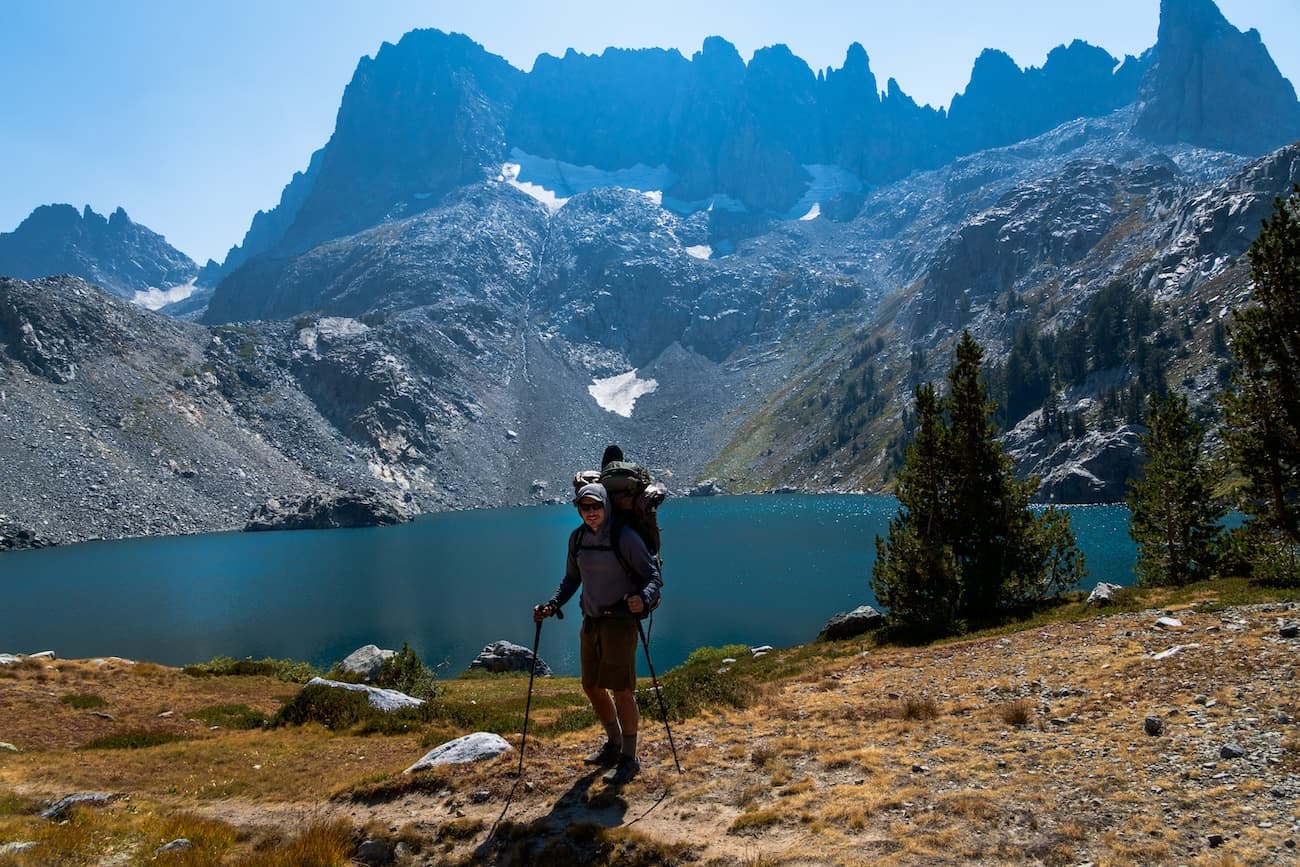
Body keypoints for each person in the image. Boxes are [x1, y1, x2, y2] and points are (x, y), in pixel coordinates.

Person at [534, 482, 662, 784]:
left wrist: (641, 598)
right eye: (585, 507)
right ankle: (614, 744)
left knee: (621, 689)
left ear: (606, 505)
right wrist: (552, 604)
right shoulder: (577, 539)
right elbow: (571, 578)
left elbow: (652, 576)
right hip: (591, 620)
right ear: (578, 509)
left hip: (619, 622)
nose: (591, 512)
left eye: (597, 506)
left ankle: (629, 757)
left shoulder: (624, 536)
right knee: (591, 686)